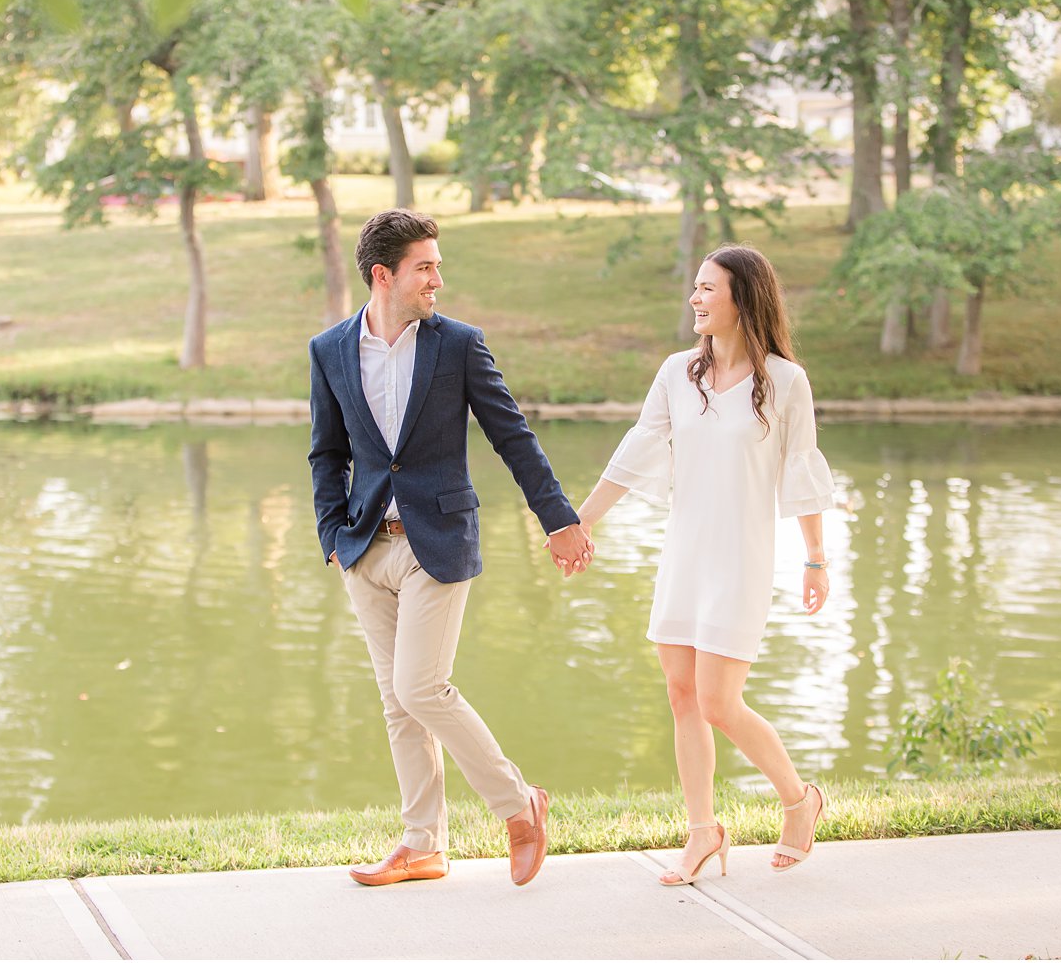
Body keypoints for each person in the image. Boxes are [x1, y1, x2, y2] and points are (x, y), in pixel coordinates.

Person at [307, 208, 595, 887]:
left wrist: (559, 518)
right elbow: (326, 452)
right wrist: (331, 535)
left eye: (437, 263)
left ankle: (517, 802)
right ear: (385, 275)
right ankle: (422, 843)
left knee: (421, 685)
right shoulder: (329, 350)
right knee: (396, 699)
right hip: (365, 545)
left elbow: (512, 435)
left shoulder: (458, 344)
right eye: (425, 266)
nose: (439, 277)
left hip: (438, 539)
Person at [572, 244, 836, 885]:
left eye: (707, 289)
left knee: (720, 701)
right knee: (682, 694)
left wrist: (816, 559)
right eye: (694, 287)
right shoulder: (675, 373)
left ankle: (800, 802)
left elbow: (801, 469)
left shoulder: (785, 382)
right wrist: (578, 523)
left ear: (743, 298)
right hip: (684, 553)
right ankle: (702, 832)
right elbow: (636, 452)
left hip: (742, 558)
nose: (694, 298)